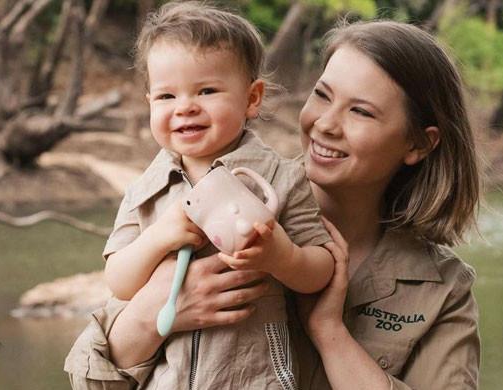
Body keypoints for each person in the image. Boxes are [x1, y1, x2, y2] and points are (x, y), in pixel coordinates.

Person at [65, 18, 481, 390]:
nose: (325, 124)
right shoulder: (207, 197)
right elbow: (91, 382)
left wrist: (329, 334)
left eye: (361, 112)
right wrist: (160, 309)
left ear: (419, 143)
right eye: (322, 95)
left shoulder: (441, 289)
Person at [87, 2, 334, 388]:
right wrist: (159, 237)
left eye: (206, 90)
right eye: (167, 97)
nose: (185, 107)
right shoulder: (147, 190)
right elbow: (119, 280)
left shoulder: (282, 177)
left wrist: (280, 256)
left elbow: (320, 268)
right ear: (150, 103)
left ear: (252, 99)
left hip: (257, 376)